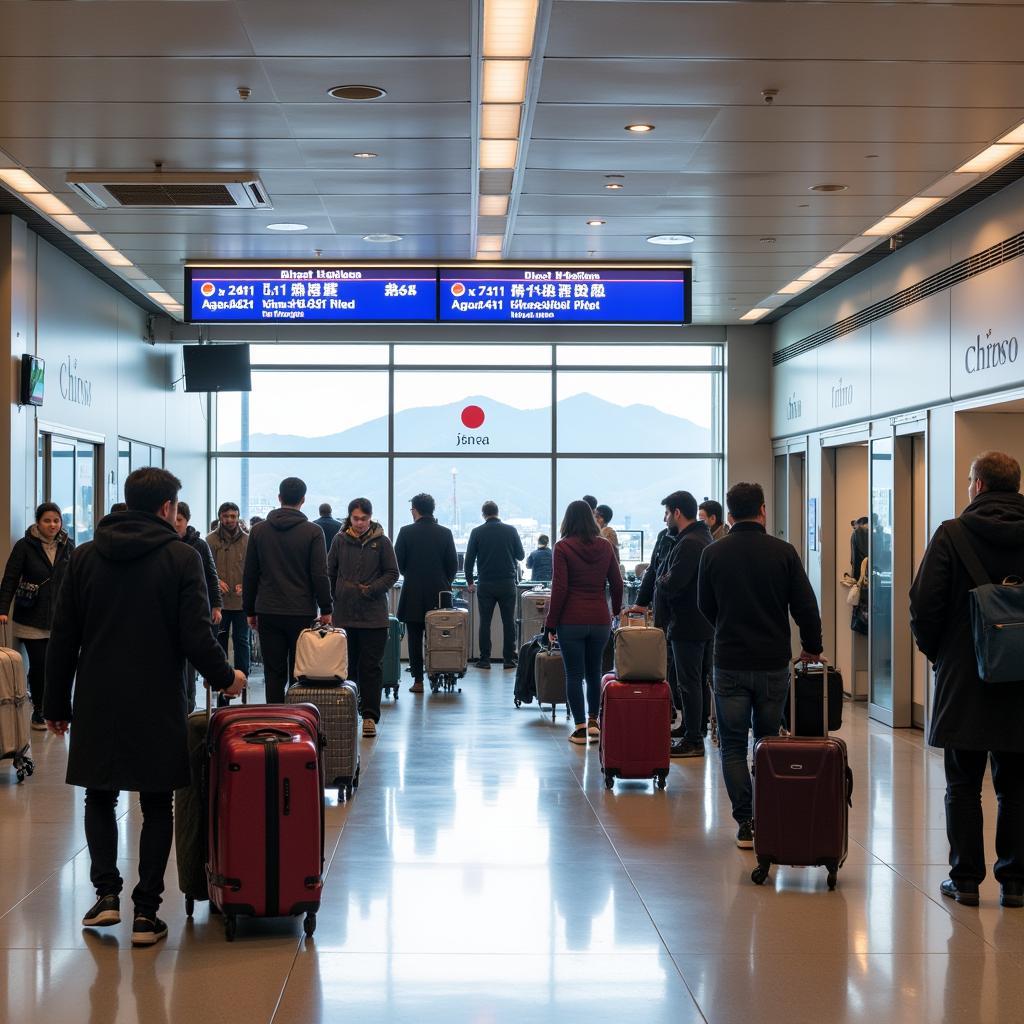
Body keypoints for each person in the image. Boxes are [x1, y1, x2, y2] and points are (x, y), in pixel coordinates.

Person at [43, 468, 245, 946]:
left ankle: (105, 896)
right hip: (157, 696)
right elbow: (196, 635)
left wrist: (55, 702)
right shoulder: (181, 557)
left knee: (99, 795)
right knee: (156, 803)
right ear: (167, 507)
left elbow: (63, 636)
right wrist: (227, 678)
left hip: (97, 697)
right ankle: (146, 914)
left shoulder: (86, 555)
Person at [910, 450, 1024, 909]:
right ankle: (1015, 881)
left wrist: (944, 655)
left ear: (976, 485)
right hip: (1022, 682)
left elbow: (923, 607)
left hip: (966, 680)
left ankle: (966, 880)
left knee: (962, 783)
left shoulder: (952, 534)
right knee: (1016, 785)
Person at [697, 481, 823, 849]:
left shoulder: (714, 553)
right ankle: (770, 814)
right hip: (772, 663)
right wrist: (812, 647)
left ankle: (746, 822)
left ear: (730, 515)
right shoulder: (783, 552)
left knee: (733, 745)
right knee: (768, 742)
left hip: (730, 661)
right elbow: (805, 605)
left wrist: (724, 626)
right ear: (763, 510)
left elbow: (705, 605)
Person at [635, 491, 713, 758]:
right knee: (693, 681)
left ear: (677, 513)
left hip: (688, 622)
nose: (665, 518)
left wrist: (659, 581)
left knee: (689, 682)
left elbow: (673, 581)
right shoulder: (696, 538)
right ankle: (692, 728)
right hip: (697, 621)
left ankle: (693, 738)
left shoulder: (690, 543)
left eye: (667, 513)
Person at [242, 477, 332, 703]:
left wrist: (250, 610)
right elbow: (319, 574)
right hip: (301, 611)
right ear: (303, 500)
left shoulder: (259, 531)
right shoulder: (313, 532)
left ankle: (275, 721)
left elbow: (250, 574)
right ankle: (297, 723)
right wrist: (327, 607)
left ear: (279, 498)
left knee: (273, 672)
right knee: (300, 671)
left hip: (268, 610)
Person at [545, 499, 623, 745]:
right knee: (594, 673)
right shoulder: (605, 545)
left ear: (567, 520)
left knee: (573, 674)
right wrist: (616, 611)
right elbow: (617, 583)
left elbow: (560, 588)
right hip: (600, 619)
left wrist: (551, 623)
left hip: (571, 620)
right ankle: (594, 722)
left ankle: (579, 728)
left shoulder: (563, 547)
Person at [327, 497, 399, 738]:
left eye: (364, 519)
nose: (360, 523)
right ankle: (348, 713)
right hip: (345, 615)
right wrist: (334, 598)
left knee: (371, 667)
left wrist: (372, 589)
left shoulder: (382, 541)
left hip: (374, 616)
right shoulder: (339, 540)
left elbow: (392, 573)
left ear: (370, 518)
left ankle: (369, 716)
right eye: (356, 519)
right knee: (346, 670)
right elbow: (330, 572)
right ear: (349, 517)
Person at [0, 502, 74, 729]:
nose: (52, 525)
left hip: (60, 617)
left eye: (56, 520)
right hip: (32, 616)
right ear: (38, 522)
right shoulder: (25, 546)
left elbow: (75, 579)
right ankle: (39, 710)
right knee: (40, 664)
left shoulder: (68, 545)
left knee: (57, 664)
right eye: (47, 520)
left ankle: (56, 708)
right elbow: (11, 577)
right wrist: (3, 609)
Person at [394, 493, 458, 693]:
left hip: (413, 592)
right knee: (439, 635)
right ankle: (437, 673)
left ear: (415, 510)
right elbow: (453, 566)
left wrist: (412, 574)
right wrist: (443, 581)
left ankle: (418, 681)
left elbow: (398, 565)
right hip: (439, 593)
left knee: (414, 637)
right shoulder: (445, 533)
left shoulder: (405, 532)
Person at [174, 502, 223, 712]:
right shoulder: (163, 544)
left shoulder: (199, 545)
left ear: (187, 521)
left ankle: (189, 706)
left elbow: (211, 576)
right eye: (174, 519)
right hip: (171, 611)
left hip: (194, 609)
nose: (176, 524)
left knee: (189, 665)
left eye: (180, 520)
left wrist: (217, 605)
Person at [465, 501, 525, 670]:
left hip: (485, 584)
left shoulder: (476, 532)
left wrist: (470, 581)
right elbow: (521, 555)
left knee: (485, 622)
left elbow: (468, 560)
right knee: (509, 622)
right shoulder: (511, 530)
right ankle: (509, 660)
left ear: (483, 514)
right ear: (498, 512)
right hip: (507, 583)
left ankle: (484, 660)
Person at [207, 501, 250, 706]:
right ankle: (222, 688)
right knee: (220, 644)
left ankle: (243, 685)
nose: (230, 520)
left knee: (243, 643)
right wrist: (216, 582)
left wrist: (246, 584)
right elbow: (205, 570)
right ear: (220, 517)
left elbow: (254, 568)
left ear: (238, 517)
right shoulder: (210, 540)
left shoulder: (249, 541)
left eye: (233, 516)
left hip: (242, 603)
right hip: (219, 604)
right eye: (226, 516)